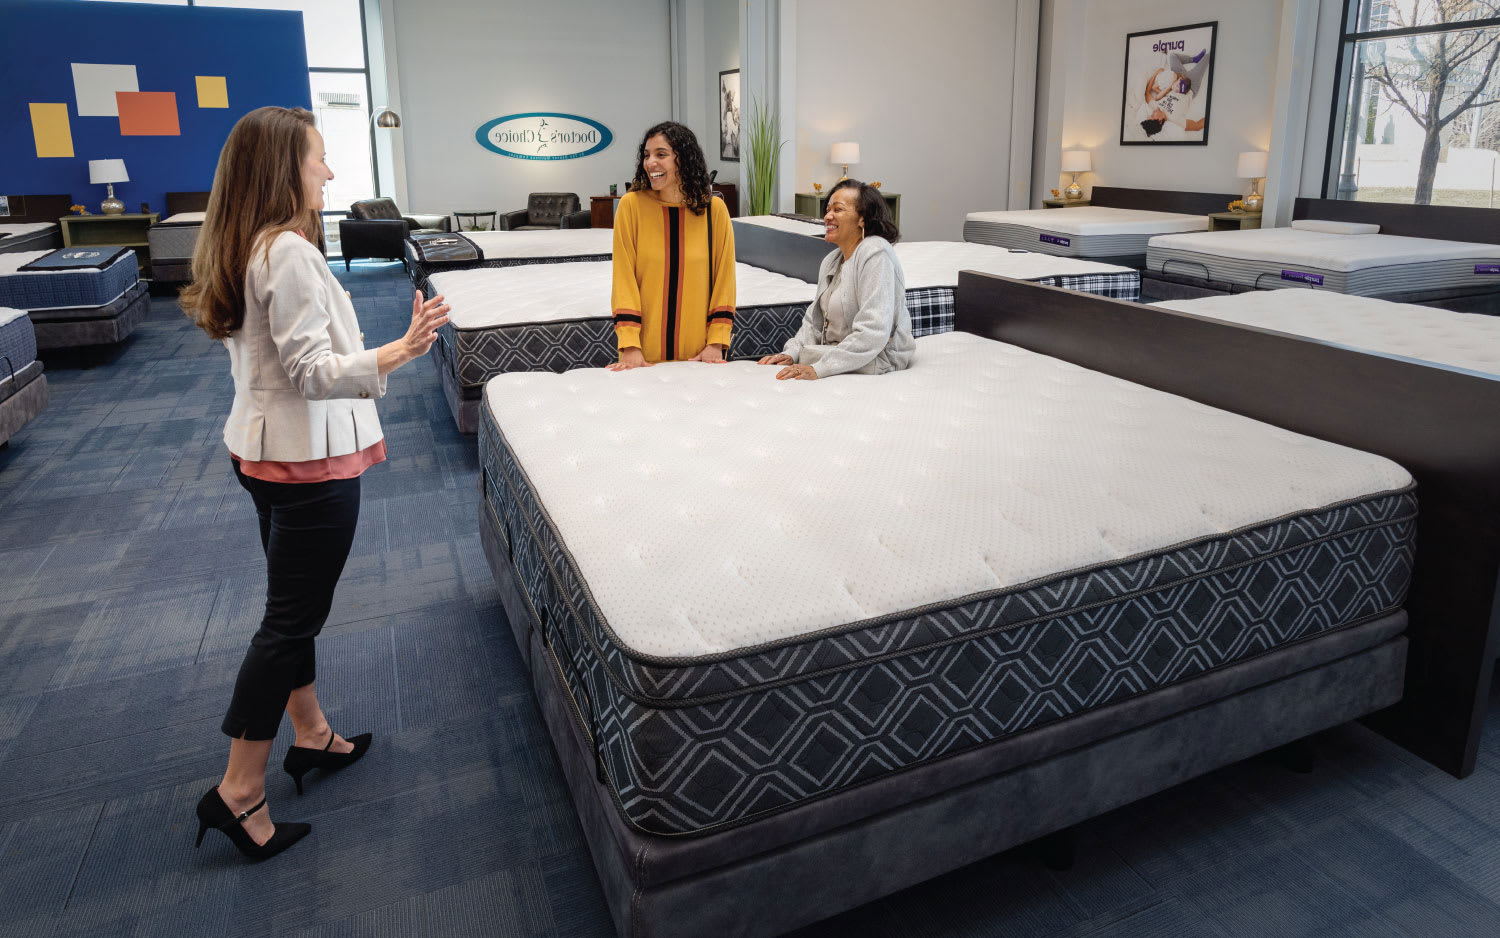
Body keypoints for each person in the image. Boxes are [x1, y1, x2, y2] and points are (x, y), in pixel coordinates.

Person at [179, 106, 449, 861]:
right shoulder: (289, 254)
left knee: (288, 611)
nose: (329, 172)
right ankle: (239, 792)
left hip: (262, 454)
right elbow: (310, 374)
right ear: (281, 170)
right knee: (289, 624)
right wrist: (398, 351)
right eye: (318, 159)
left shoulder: (248, 243)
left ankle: (312, 735)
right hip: (306, 465)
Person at [609, 120, 736, 371]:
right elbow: (624, 280)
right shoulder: (631, 206)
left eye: (661, 154)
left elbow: (724, 280)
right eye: (646, 155)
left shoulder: (714, 210)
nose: (650, 163)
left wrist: (717, 342)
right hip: (644, 355)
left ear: (684, 159)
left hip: (700, 354)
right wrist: (630, 346)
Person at [758, 179, 915, 379]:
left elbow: (873, 331)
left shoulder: (876, 252)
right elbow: (813, 322)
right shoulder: (831, 260)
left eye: (838, 210)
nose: (827, 216)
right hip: (837, 354)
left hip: (880, 359)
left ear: (862, 219)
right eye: (828, 209)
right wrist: (791, 353)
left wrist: (819, 368)